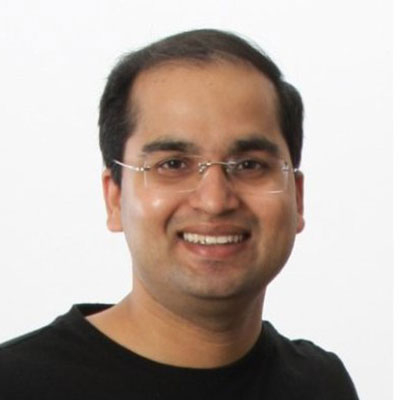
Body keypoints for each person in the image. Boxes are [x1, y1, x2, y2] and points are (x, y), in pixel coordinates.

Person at [0, 29, 359, 399]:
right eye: (173, 164)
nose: (215, 201)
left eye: (249, 164)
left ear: (297, 197)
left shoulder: (321, 384)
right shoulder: (16, 385)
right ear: (114, 198)